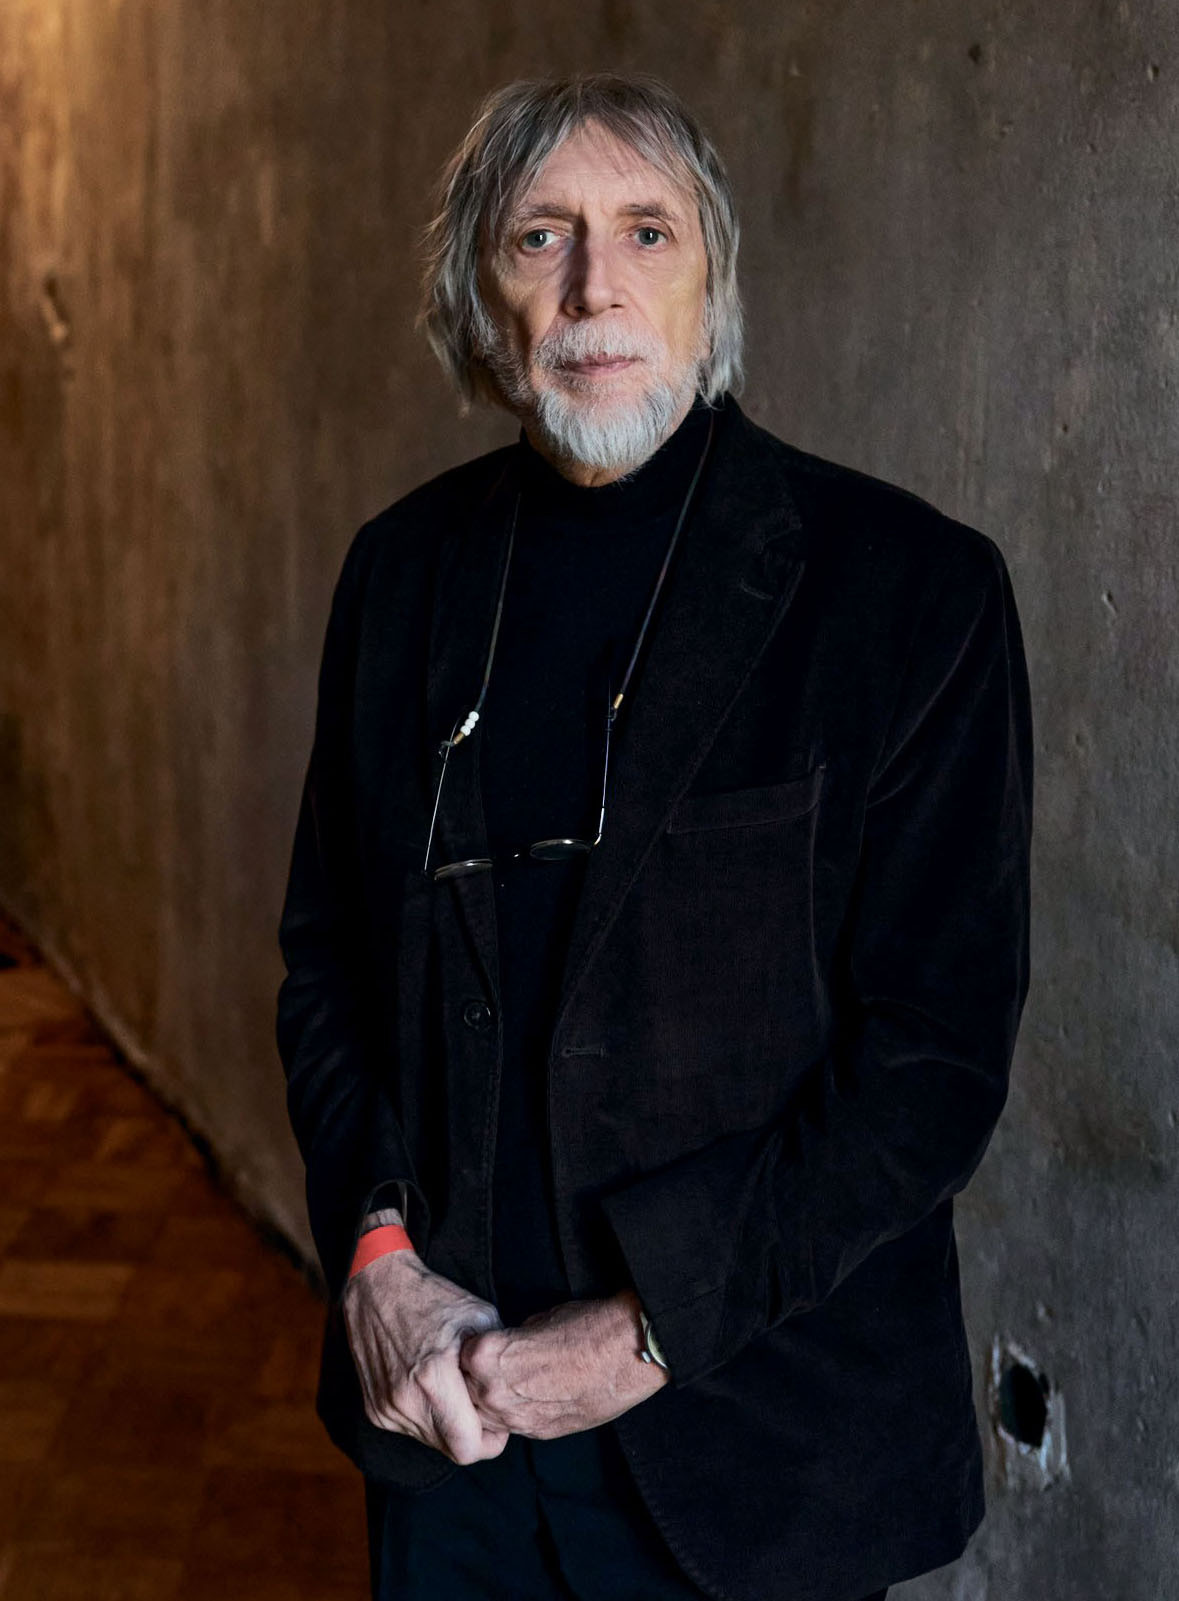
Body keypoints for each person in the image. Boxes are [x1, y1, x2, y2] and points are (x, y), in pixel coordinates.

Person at [276, 71, 1033, 1601]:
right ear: (477, 294)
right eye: (538, 237)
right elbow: (330, 966)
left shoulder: (905, 592)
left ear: (713, 280)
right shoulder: (399, 578)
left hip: (758, 1456)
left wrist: (642, 1333)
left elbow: (932, 1066)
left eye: (645, 232)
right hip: (456, 1439)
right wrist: (376, 1254)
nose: (593, 287)